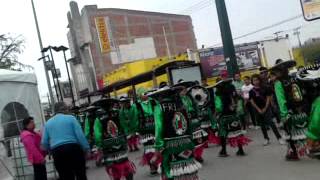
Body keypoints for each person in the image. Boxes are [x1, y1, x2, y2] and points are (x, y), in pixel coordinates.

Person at [152, 86, 202, 180]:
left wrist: (158, 146)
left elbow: (159, 128)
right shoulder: (181, 104)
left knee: (170, 168)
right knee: (187, 168)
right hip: (186, 142)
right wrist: (190, 139)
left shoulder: (159, 107)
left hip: (171, 145)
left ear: (160, 96)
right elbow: (189, 123)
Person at [270, 59, 309, 161]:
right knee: (304, 130)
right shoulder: (294, 78)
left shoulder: (278, 83)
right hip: (300, 108)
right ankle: (313, 148)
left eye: (277, 71)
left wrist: (284, 114)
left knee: (290, 133)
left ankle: (294, 154)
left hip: (289, 110)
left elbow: (281, 100)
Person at [41, 102, 90, 180]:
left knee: (65, 176)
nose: (68, 110)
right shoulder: (71, 118)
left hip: (57, 152)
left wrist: (50, 151)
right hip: (73, 149)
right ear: (63, 109)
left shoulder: (48, 123)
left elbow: (44, 142)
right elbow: (80, 135)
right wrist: (86, 148)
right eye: (67, 108)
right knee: (80, 174)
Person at [94, 99, 136, 180]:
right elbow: (124, 125)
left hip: (108, 145)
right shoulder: (118, 112)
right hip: (120, 142)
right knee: (125, 162)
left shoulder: (98, 118)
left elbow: (97, 134)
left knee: (114, 167)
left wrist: (99, 145)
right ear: (112, 105)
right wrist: (126, 135)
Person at [215, 79, 251, 157]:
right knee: (237, 132)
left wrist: (216, 114)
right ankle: (240, 150)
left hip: (223, 117)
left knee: (223, 134)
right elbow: (237, 102)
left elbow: (218, 108)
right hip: (233, 116)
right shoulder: (232, 94)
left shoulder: (219, 95)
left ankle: (223, 151)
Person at [249, 74, 285, 146]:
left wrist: (265, 107)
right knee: (262, 125)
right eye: (254, 80)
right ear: (252, 82)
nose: (256, 81)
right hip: (257, 110)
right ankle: (266, 138)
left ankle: (279, 138)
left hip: (266, 108)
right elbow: (251, 101)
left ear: (259, 80)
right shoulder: (251, 91)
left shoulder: (265, 88)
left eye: (257, 80)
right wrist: (258, 109)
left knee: (271, 123)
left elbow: (268, 97)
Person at [133, 87, 160, 175]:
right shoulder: (136, 105)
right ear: (139, 96)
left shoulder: (153, 101)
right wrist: (137, 131)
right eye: (143, 94)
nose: (145, 95)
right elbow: (135, 119)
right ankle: (152, 166)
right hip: (144, 131)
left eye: (146, 93)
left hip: (156, 128)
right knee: (149, 149)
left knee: (158, 146)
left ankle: (159, 163)